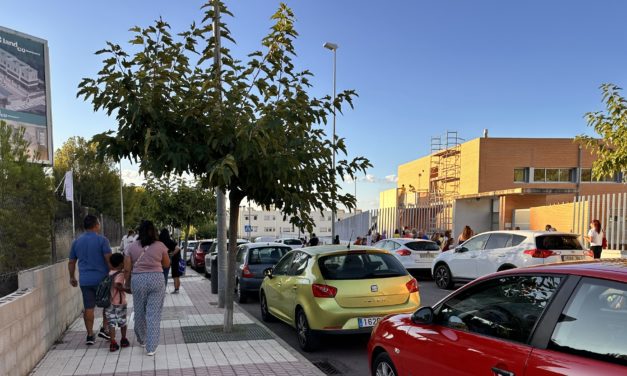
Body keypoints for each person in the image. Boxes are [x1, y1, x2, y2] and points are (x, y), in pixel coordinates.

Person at [124, 220, 170, 356]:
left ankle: (142, 339)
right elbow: (167, 264)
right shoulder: (160, 245)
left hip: (138, 280)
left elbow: (127, 268)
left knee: (139, 311)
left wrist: (126, 283)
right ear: (154, 231)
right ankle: (151, 347)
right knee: (153, 314)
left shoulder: (131, 247)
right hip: (157, 280)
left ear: (139, 231)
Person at [68, 214, 113, 345]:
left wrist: (72, 277)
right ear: (96, 225)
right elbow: (108, 259)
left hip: (85, 280)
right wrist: (114, 273)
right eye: (99, 223)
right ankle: (105, 329)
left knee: (89, 307)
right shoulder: (102, 240)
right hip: (102, 279)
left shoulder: (76, 242)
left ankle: (89, 335)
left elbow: (71, 262)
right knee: (107, 304)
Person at [105, 253, 129, 352]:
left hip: (109, 303)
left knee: (111, 323)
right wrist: (128, 290)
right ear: (120, 264)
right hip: (119, 303)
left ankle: (113, 342)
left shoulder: (109, 273)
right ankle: (123, 339)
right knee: (122, 322)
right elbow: (118, 285)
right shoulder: (120, 274)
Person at [160, 228, 182, 293]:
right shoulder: (170, 241)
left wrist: (171, 254)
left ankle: (163, 290)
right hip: (173, 259)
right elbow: (178, 248)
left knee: (164, 275)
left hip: (163, 260)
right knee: (175, 274)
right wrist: (172, 254)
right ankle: (176, 289)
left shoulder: (160, 242)